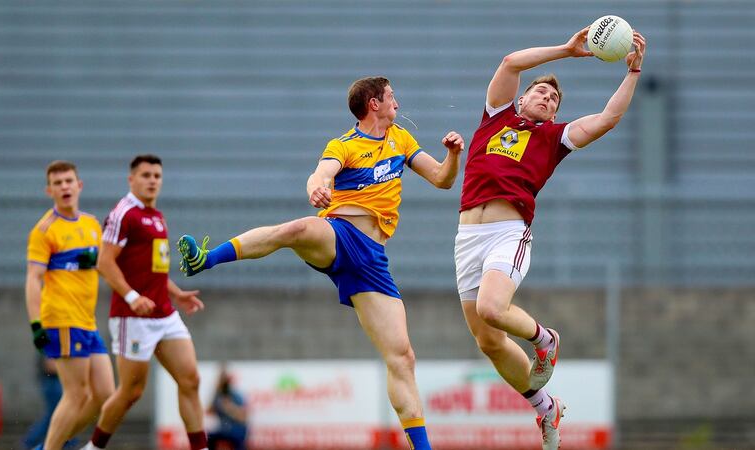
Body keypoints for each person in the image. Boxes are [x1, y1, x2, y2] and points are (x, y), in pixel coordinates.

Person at [177, 76, 464, 450]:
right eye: (391, 96)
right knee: (296, 229)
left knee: (403, 357)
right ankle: (205, 259)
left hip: (372, 261)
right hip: (341, 234)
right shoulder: (343, 145)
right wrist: (315, 185)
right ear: (373, 104)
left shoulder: (402, 140)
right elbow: (322, 172)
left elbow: (442, 179)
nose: (397, 102)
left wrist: (454, 155)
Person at [455, 27, 646, 449]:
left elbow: (607, 119)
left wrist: (631, 74)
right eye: (540, 92)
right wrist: (566, 51)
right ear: (521, 99)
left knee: (491, 308)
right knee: (488, 341)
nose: (546, 98)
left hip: (509, 233)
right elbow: (510, 62)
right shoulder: (496, 117)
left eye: (554, 99)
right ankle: (546, 408)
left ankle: (545, 338)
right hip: (467, 237)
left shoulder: (553, 138)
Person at [82, 155, 208, 450]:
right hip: (132, 317)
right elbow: (104, 262)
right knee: (131, 392)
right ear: (131, 179)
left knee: (190, 379)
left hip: (164, 312)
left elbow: (153, 269)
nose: (152, 180)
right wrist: (132, 296)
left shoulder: (156, 216)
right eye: (146, 175)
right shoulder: (123, 213)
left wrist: (176, 293)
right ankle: (94, 447)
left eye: (157, 175)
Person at [25, 160, 115, 450]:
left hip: (87, 321)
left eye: (68, 181)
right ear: (48, 190)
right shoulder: (44, 230)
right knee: (76, 394)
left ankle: (49, 445)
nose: (64, 187)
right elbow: (33, 279)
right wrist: (36, 324)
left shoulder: (90, 224)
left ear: (80, 185)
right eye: (58, 183)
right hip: (63, 320)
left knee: (105, 395)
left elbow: (106, 266)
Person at [206, 367, 248, 450]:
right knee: (209, 438)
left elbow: (243, 417)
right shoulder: (218, 395)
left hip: (236, 428)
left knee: (239, 439)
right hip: (222, 429)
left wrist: (229, 407)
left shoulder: (236, 395)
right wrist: (215, 392)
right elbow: (209, 411)